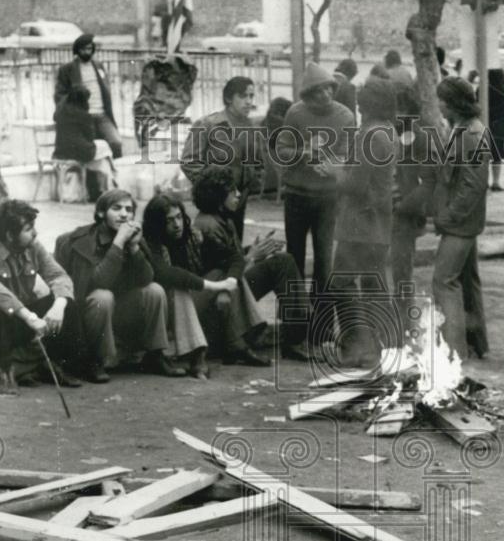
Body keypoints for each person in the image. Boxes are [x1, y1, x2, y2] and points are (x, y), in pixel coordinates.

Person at [54, 189, 186, 382]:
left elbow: (146, 278)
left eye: (129, 209)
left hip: (120, 311)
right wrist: (118, 243)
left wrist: (133, 247)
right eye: (116, 208)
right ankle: (96, 361)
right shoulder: (82, 240)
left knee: (154, 291)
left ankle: (156, 355)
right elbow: (99, 281)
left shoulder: (132, 237)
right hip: (87, 314)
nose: (124, 214)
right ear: (101, 213)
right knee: (103, 296)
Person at [275, 62, 356, 347]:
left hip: (328, 200)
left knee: (325, 266)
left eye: (328, 89)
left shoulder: (345, 116)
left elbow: (351, 153)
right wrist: (304, 151)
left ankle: (321, 330)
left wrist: (334, 164)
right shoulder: (295, 114)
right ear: (307, 95)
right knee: (293, 263)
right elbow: (282, 150)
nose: (324, 96)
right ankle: (294, 329)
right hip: (297, 197)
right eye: (317, 91)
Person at [0, 200, 83, 395]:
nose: (34, 233)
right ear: (10, 235)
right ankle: (6, 372)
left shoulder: (33, 246)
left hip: (21, 323)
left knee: (66, 302)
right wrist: (29, 316)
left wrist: (59, 305)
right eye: (28, 229)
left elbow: (58, 276)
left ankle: (55, 363)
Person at [141, 193, 256, 378]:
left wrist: (228, 285)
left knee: (226, 273)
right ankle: (198, 355)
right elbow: (166, 273)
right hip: (165, 315)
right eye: (169, 220)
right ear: (157, 223)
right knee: (179, 286)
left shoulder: (193, 236)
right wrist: (214, 287)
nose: (177, 225)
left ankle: (237, 344)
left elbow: (234, 258)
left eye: (179, 217)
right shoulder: (148, 243)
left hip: (192, 308)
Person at [331, 76, 399, 367]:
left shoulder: (368, 135)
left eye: (361, 105)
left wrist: (334, 170)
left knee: (343, 283)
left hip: (358, 223)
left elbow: (355, 184)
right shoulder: (390, 132)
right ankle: (380, 347)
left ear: (368, 106)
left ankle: (356, 346)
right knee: (375, 285)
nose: (358, 110)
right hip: (381, 223)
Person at [426, 77, 490, 361]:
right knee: (468, 280)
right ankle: (476, 344)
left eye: (443, 100)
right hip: (462, 221)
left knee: (444, 281)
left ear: (454, 104)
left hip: (460, 223)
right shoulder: (462, 129)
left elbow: (473, 186)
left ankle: (454, 352)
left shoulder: (471, 134)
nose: (439, 105)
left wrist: (448, 218)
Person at [189, 167, 273, 367]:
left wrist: (250, 250)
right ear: (218, 197)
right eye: (232, 191)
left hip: (228, 289)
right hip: (212, 298)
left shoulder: (224, 217)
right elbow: (221, 271)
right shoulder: (207, 225)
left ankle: (297, 336)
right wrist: (251, 257)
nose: (238, 194)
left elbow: (229, 257)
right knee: (228, 275)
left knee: (281, 262)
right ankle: (237, 346)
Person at [181, 76, 263, 241]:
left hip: (239, 203)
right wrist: (212, 189)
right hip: (214, 204)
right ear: (228, 98)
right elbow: (189, 161)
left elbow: (258, 161)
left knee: (235, 247)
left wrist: (251, 184)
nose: (248, 101)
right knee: (214, 248)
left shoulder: (251, 127)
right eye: (243, 96)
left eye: (251, 96)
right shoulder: (208, 124)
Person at [390, 83, 430, 333]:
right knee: (396, 270)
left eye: (400, 110)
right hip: (389, 210)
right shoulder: (390, 132)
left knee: (403, 271)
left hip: (404, 212)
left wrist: (405, 205)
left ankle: (405, 323)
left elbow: (426, 182)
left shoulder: (418, 137)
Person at [54, 33, 122, 158]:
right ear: (77, 50)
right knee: (89, 150)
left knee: (116, 143)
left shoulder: (99, 66)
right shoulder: (67, 69)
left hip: (102, 115)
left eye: (89, 49)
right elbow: (59, 96)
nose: (87, 52)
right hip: (83, 118)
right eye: (83, 49)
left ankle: (112, 175)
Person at [52, 86, 114, 202]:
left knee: (102, 158)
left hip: (61, 151)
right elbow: (90, 138)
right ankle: (110, 183)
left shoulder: (60, 113)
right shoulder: (84, 115)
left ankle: (107, 184)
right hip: (80, 152)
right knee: (104, 147)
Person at [486, 69, 504, 191]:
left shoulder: (482, 89)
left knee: (484, 154)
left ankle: (484, 181)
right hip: (500, 125)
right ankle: (495, 182)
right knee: (497, 156)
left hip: (486, 123)